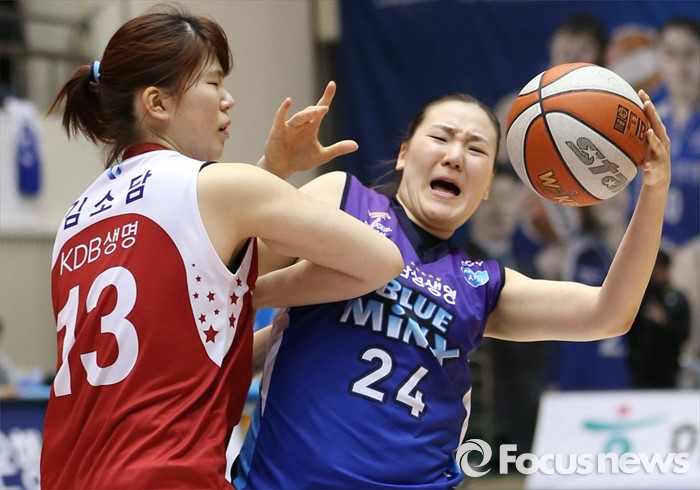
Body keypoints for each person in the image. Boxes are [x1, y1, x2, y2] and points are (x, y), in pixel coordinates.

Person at [38, 5, 403, 489]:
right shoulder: (221, 186)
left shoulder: (75, 218)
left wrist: (272, 170)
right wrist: (264, 295)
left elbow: (186, 296)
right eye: (213, 83)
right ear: (157, 103)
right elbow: (383, 260)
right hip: (167, 478)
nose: (228, 100)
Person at [233, 87, 670, 488]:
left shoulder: (483, 284)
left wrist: (654, 188)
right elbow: (234, 273)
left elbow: (609, 314)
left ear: (486, 188)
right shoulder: (344, 198)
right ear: (404, 154)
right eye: (441, 138)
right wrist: (274, 170)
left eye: (476, 148)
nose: (456, 156)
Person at [627, 249, 690, 389]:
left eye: (658, 267)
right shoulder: (641, 297)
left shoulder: (677, 298)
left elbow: (683, 333)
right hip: (640, 365)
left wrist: (663, 321)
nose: (654, 272)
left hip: (667, 367)